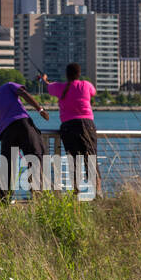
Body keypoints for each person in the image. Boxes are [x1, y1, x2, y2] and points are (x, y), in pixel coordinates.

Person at [0, 79, 49, 201]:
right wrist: (40, 109)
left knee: (7, 167)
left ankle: (4, 201)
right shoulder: (8, 86)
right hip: (24, 125)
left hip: (7, 133)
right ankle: (38, 196)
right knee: (35, 158)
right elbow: (24, 94)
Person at [41, 63, 100, 197]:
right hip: (87, 124)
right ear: (79, 74)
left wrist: (44, 79)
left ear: (66, 75)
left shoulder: (59, 88)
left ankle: (76, 192)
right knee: (91, 157)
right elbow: (93, 92)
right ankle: (98, 191)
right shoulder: (85, 85)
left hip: (68, 126)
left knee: (73, 160)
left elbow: (48, 87)